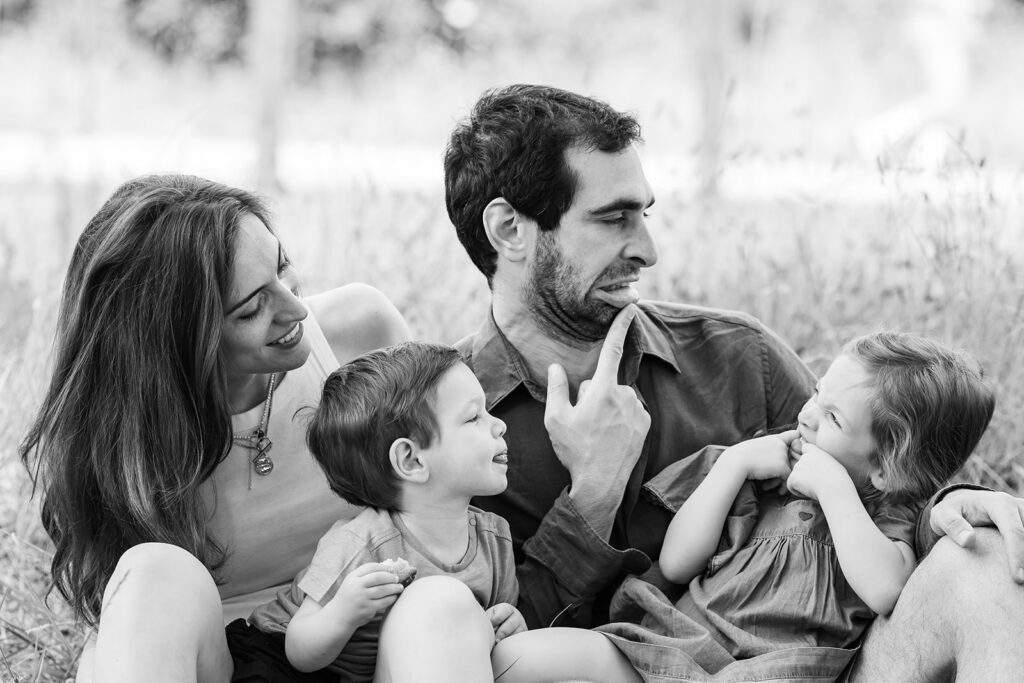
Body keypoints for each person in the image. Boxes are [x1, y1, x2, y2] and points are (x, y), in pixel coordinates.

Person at [444, 84, 1024, 680]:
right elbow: (486, 641)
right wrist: (591, 494)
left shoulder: (739, 358)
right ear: (510, 230)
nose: (647, 249)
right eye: (613, 218)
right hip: (628, 662)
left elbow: (885, 481)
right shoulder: (439, 423)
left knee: (986, 560)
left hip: (807, 664)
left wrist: (952, 506)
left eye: (643, 215)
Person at [18, 174, 500, 682]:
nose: (295, 310)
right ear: (179, 338)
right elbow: (137, 618)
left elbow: (456, 501)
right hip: (225, 663)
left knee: (442, 600)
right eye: (252, 308)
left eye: (282, 267)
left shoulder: (359, 334)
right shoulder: (128, 438)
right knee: (152, 573)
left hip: (378, 652)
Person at [247, 341, 525, 681]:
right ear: (411, 460)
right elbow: (299, 649)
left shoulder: (493, 539)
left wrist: (508, 623)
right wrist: (344, 612)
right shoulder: (361, 544)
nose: (499, 425)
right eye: (474, 417)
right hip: (286, 667)